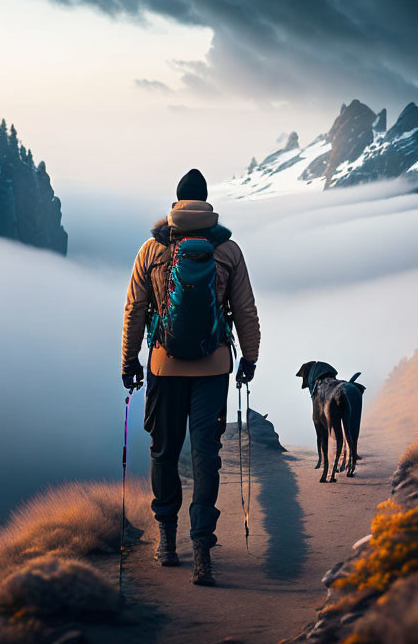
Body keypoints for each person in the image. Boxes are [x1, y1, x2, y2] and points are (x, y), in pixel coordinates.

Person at [121, 168, 260, 586]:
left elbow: (135, 310)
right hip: (213, 369)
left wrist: (129, 361)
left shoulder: (152, 250)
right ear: (207, 202)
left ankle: (166, 539)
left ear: (177, 202)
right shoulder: (228, 249)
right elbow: (246, 311)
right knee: (206, 456)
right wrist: (249, 359)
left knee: (164, 452)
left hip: (164, 367)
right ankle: (202, 548)